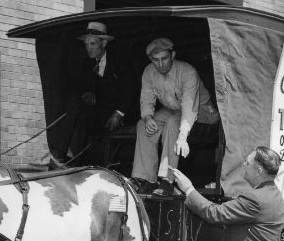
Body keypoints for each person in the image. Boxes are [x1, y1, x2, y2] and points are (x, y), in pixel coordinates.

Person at [36, 21, 136, 167]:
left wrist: (119, 113)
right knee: (75, 107)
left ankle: (60, 155)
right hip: (98, 112)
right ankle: (63, 156)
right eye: (86, 44)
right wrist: (88, 93)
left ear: (104, 44)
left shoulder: (119, 61)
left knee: (79, 112)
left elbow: (130, 89)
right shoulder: (87, 64)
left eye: (92, 44)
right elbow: (84, 87)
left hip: (119, 115)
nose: (88, 48)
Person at [131, 37, 218, 195]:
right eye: (155, 60)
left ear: (173, 55)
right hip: (172, 110)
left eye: (164, 58)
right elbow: (146, 101)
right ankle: (145, 179)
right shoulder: (149, 72)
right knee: (143, 125)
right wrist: (148, 118)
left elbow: (189, 106)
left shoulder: (187, 71)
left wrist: (183, 136)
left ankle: (167, 180)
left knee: (173, 122)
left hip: (203, 110)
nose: (160, 64)